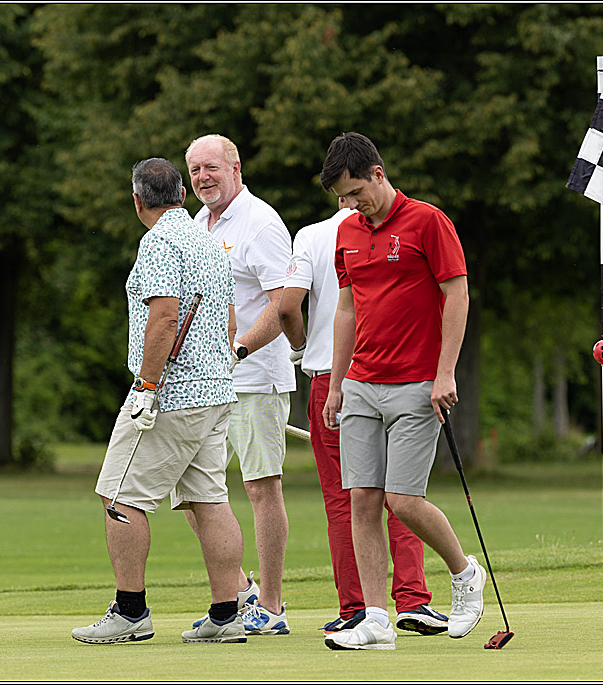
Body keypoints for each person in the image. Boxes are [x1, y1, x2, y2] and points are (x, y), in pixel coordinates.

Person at [317, 132, 485, 651]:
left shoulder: (429, 222)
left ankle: (464, 573)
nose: (349, 205)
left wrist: (446, 372)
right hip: (362, 383)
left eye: (354, 193)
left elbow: (456, 295)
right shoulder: (347, 233)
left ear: (378, 174)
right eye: (342, 199)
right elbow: (346, 309)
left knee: (403, 500)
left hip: (417, 383)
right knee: (362, 498)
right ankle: (374, 618)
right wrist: (337, 382)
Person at [72, 158, 247, 645]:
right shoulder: (207, 242)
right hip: (215, 392)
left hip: (171, 393)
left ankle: (130, 613)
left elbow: (164, 319)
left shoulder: (157, 243)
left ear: (136, 201)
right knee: (209, 500)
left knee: (120, 497)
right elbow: (230, 322)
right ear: (182, 196)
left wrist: (146, 388)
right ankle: (226, 613)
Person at [278, 197, 449, 638]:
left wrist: (299, 349)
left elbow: (287, 308)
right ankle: (409, 601)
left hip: (332, 379)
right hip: (367, 378)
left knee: (353, 500)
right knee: (397, 496)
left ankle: (357, 607)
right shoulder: (357, 232)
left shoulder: (311, 234)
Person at [182, 134, 295, 636]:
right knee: (194, 488)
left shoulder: (261, 222)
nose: (203, 177)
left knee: (260, 487)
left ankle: (270, 607)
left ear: (235, 167)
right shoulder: (193, 225)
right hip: (203, 382)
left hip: (254, 377)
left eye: (211, 167)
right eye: (194, 170)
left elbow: (282, 302)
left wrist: (240, 348)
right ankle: (239, 591)